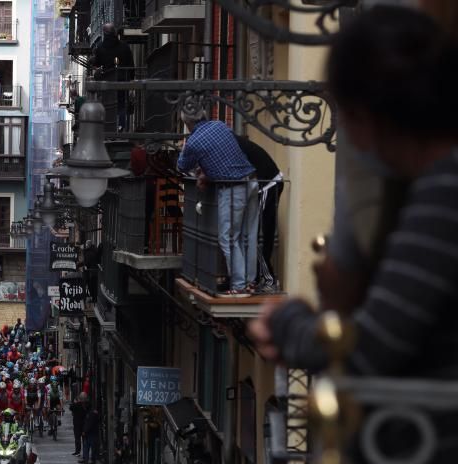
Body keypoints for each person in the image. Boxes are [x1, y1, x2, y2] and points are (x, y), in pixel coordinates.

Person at [250, 6, 458, 383]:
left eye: (343, 116)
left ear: (366, 116)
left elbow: (369, 346)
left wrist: (288, 324)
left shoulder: (444, 194)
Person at [177, 107, 258, 296]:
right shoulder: (221, 125)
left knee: (228, 237)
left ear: (188, 124)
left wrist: (184, 147)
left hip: (233, 188)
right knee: (249, 235)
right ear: (203, 115)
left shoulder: (194, 142)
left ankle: (239, 285)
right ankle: (250, 281)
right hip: (253, 181)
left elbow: (182, 166)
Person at [235, 136, 283, 293]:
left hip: (268, 185)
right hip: (269, 182)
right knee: (260, 234)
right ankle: (257, 278)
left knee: (259, 235)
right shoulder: (234, 141)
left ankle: (268, 280)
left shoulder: (230, 144)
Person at [70, 392, 89, 456]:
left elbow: (71, 408)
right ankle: (85, 453)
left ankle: (77, 452)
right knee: (85, 439)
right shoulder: (88, 405)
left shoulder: (76, 405)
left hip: (77, 424)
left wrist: (76, 402)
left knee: (77, 438)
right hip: (85, 424)